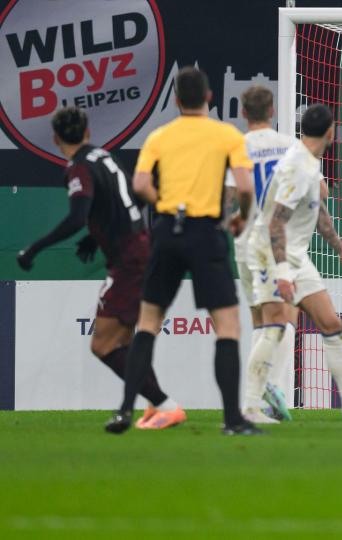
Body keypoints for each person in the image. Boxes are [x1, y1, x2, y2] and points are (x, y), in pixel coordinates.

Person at [104, 67, 258, 435]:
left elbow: (140, 183)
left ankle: (125, 411)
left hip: (167, 231)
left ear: (175, 101)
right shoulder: (226, 135)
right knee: (227, 326)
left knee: (149, 322)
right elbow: (246, 187)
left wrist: (166, 204)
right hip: (206, 232)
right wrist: (239, 218)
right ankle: (233, 420)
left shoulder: (160, 136)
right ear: (209, 97)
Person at [17, 107, 183, 429]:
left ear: (55, 139)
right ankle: (155, 405)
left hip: (129, 261)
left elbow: (77, 217)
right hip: (139, 249)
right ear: (88, 133)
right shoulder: (104, 157)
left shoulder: (78, 168)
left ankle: (166, 404)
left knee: (103, 345)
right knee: (127, 340)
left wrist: (33, 249)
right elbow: (130, 201)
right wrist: (95, 239)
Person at [245, 103, 342, 423]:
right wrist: (282, 272)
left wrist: (341, 251)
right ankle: (250, 408)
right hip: (271, 253)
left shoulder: (307, 163)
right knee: (274, 327)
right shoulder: (298, 166)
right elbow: (275, 223)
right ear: (331, 133)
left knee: (331, 324)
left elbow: (317, 211)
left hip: (296, 255)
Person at [223, 85, 303, 423]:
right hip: (278, 244)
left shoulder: (237, 148)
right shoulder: (291, 146)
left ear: (243, 113)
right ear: (272, 111)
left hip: (245, 242)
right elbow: (312, 190)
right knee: (284, 316)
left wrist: (236, 218)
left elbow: (230, 195)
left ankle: (265, 392)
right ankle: (268, 386)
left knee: (259, 317)